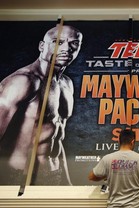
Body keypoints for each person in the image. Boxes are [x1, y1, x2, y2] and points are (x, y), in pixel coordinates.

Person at [0, 25, 83, 185]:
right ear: (42, 46)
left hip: (53, 175)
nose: (66, 49)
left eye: (74, 44)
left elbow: (57, 137)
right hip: (19, 177)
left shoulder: (66, 84)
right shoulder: (23, 81)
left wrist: (67, 182)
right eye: (57, 42)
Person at [89, 129, 139, 208]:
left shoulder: (107, 158)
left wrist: (107, 175)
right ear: (132, 142)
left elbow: (91, 177)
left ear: (118, 141)